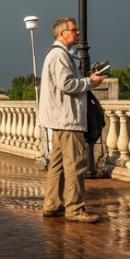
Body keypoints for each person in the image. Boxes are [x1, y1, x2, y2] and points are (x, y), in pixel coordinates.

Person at [37, 17, 106, 223]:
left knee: (56, 166)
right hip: (68, 120)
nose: (77, 33)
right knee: (75, 165)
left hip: (60, 121)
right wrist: (91, 82)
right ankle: (75, 209)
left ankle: (52, 204)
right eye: (73, 30)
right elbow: (66, 84)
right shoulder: (59, 55)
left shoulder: (59, 55)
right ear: (61, 33)